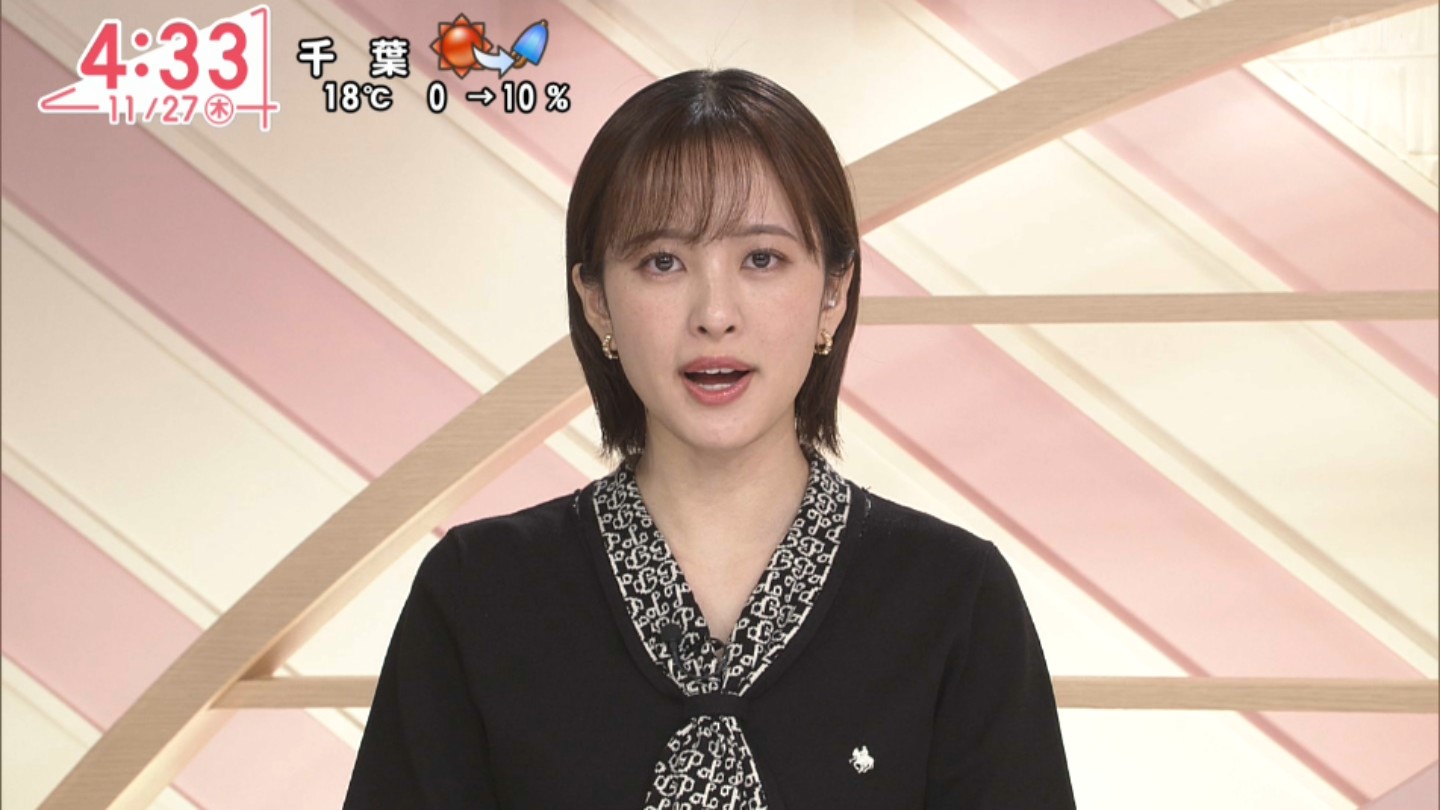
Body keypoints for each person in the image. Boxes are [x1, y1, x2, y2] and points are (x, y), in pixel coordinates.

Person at [343, 68, 1075, 809]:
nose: (715, 313)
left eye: (762, 259)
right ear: (597, 301)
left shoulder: (955, 597)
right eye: (662, 262)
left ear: (834, 292)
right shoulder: (478, 592)